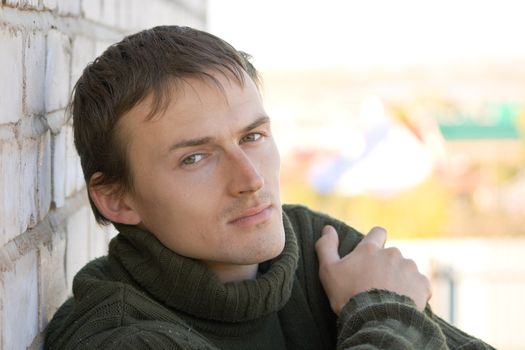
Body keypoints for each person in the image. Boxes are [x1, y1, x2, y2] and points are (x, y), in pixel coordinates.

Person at [45, 26, 493, 349]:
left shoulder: (315, 249)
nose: (251, 179)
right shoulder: (119, 337)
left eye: (252, 137)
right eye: (194, 158)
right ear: (117, 198)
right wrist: (391, 314)